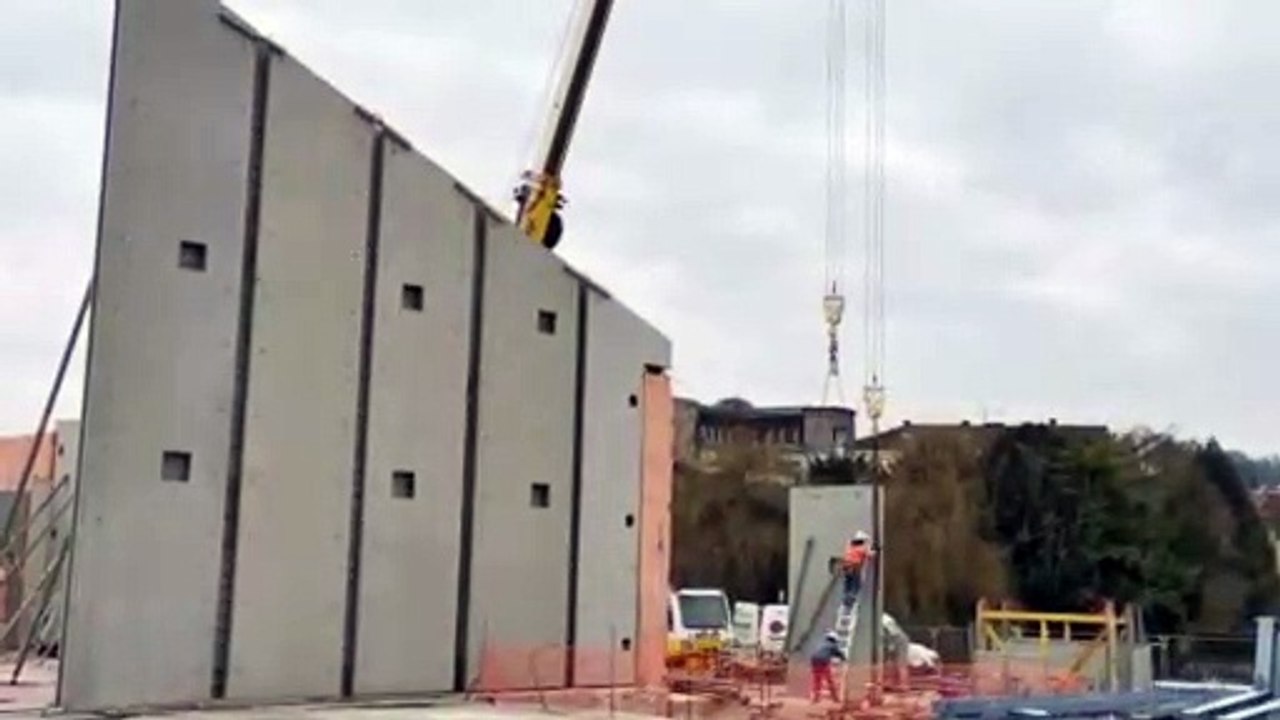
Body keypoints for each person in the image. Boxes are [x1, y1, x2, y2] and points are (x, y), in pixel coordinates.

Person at [809, 631, 845, 703]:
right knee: (829, 680)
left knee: (817, 679)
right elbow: (839, 654)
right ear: (834, 639)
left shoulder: (822, 644)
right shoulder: (833, 645)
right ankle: (835, 698)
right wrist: (844, 659)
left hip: (814, 660)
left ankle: (815, 698)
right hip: (823, 661)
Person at [842, 531, 873, 610]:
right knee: (856, 584)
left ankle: (846, 600)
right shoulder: (862, 548)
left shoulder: (850, 546)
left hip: (846, 566)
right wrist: (871, 548)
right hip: (855, 566)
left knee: (848, 584)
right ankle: (850, 600)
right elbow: (869, 555)